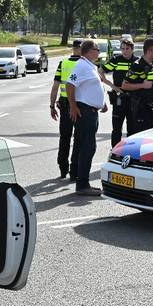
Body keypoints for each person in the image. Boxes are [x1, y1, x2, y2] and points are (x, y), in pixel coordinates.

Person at [67, 40, 108, 196]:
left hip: (91, 111)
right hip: (84, 112)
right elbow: (70, 84)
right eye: (97, 49)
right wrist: (73, 106)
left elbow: (91, 88)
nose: (98, 52)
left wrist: (101, 103)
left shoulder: (90, 66)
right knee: (88, 148)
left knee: (84, 146)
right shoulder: (82, 66)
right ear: (89, 51)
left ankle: (81, 180)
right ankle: (83, 184)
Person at [49, 40, 83, 179]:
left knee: (65, 138)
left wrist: (52, 106)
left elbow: (55, 87)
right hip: (80, 105)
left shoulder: (63, 63)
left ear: (73, 48)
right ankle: (74, 170)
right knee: (79, 139)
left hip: (64, 105)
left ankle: (63, 168)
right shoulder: (85, 64)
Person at [120, 38, 153, 134]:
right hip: (142, 109)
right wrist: (142, 85)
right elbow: (124, 85)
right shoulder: (137, 65)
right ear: (149, 51)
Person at [104, 38, 137, 147]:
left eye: (127, 49)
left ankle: (130, 152)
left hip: (133, 99)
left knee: (132, 129)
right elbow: (100, 71)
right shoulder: (116, 60)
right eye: (122, 49)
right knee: (116, 128)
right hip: (119, 99)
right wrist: (112, 86)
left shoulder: (137, 62)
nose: (124, 51)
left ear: (132, 49)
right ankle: (115, 153)